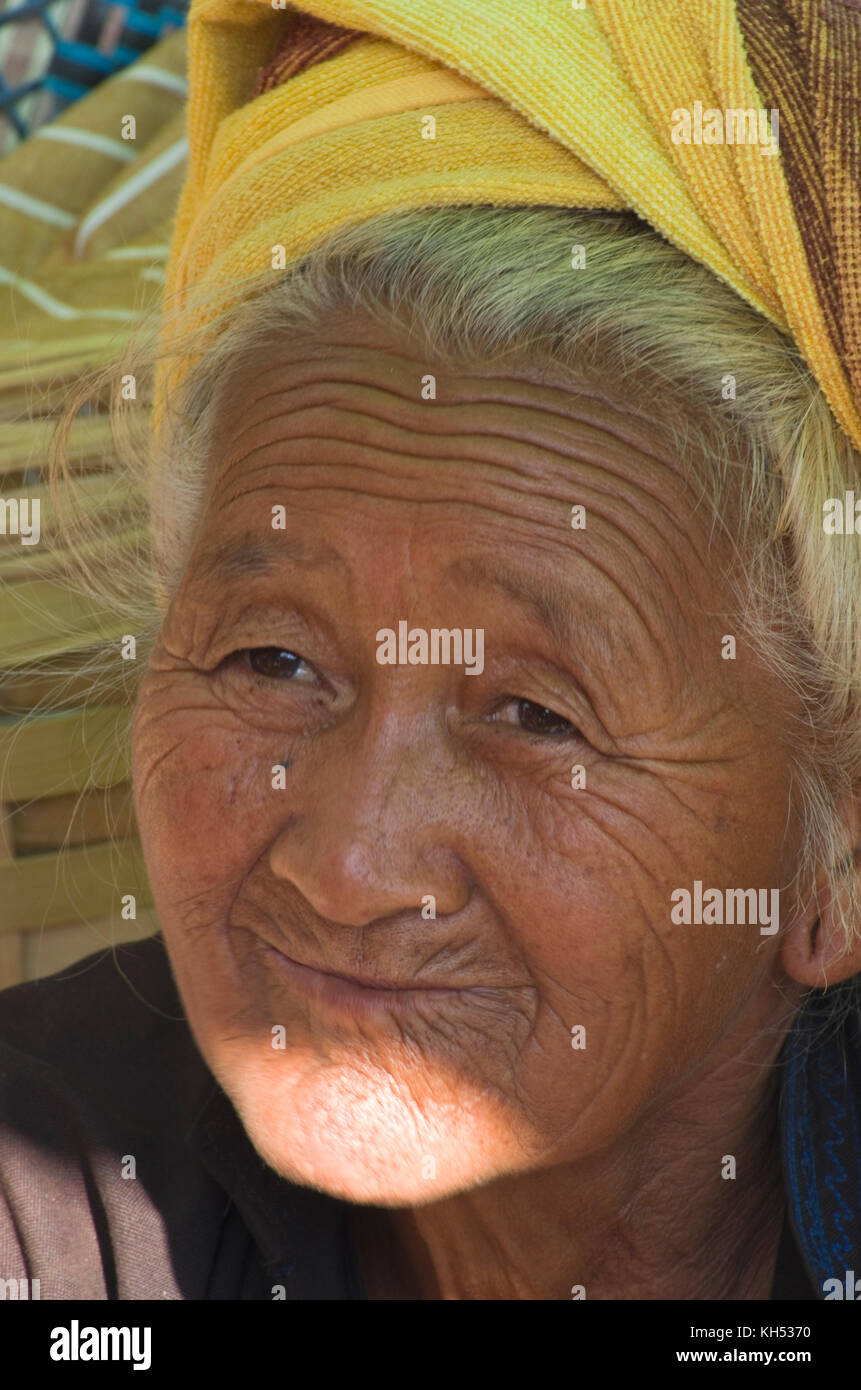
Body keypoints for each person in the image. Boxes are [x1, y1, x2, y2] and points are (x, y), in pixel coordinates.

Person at [2, 0, 861, 1301]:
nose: (349, 865)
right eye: (269, 662)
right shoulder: (56, 1193)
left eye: (531, 714)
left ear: (835, 855)